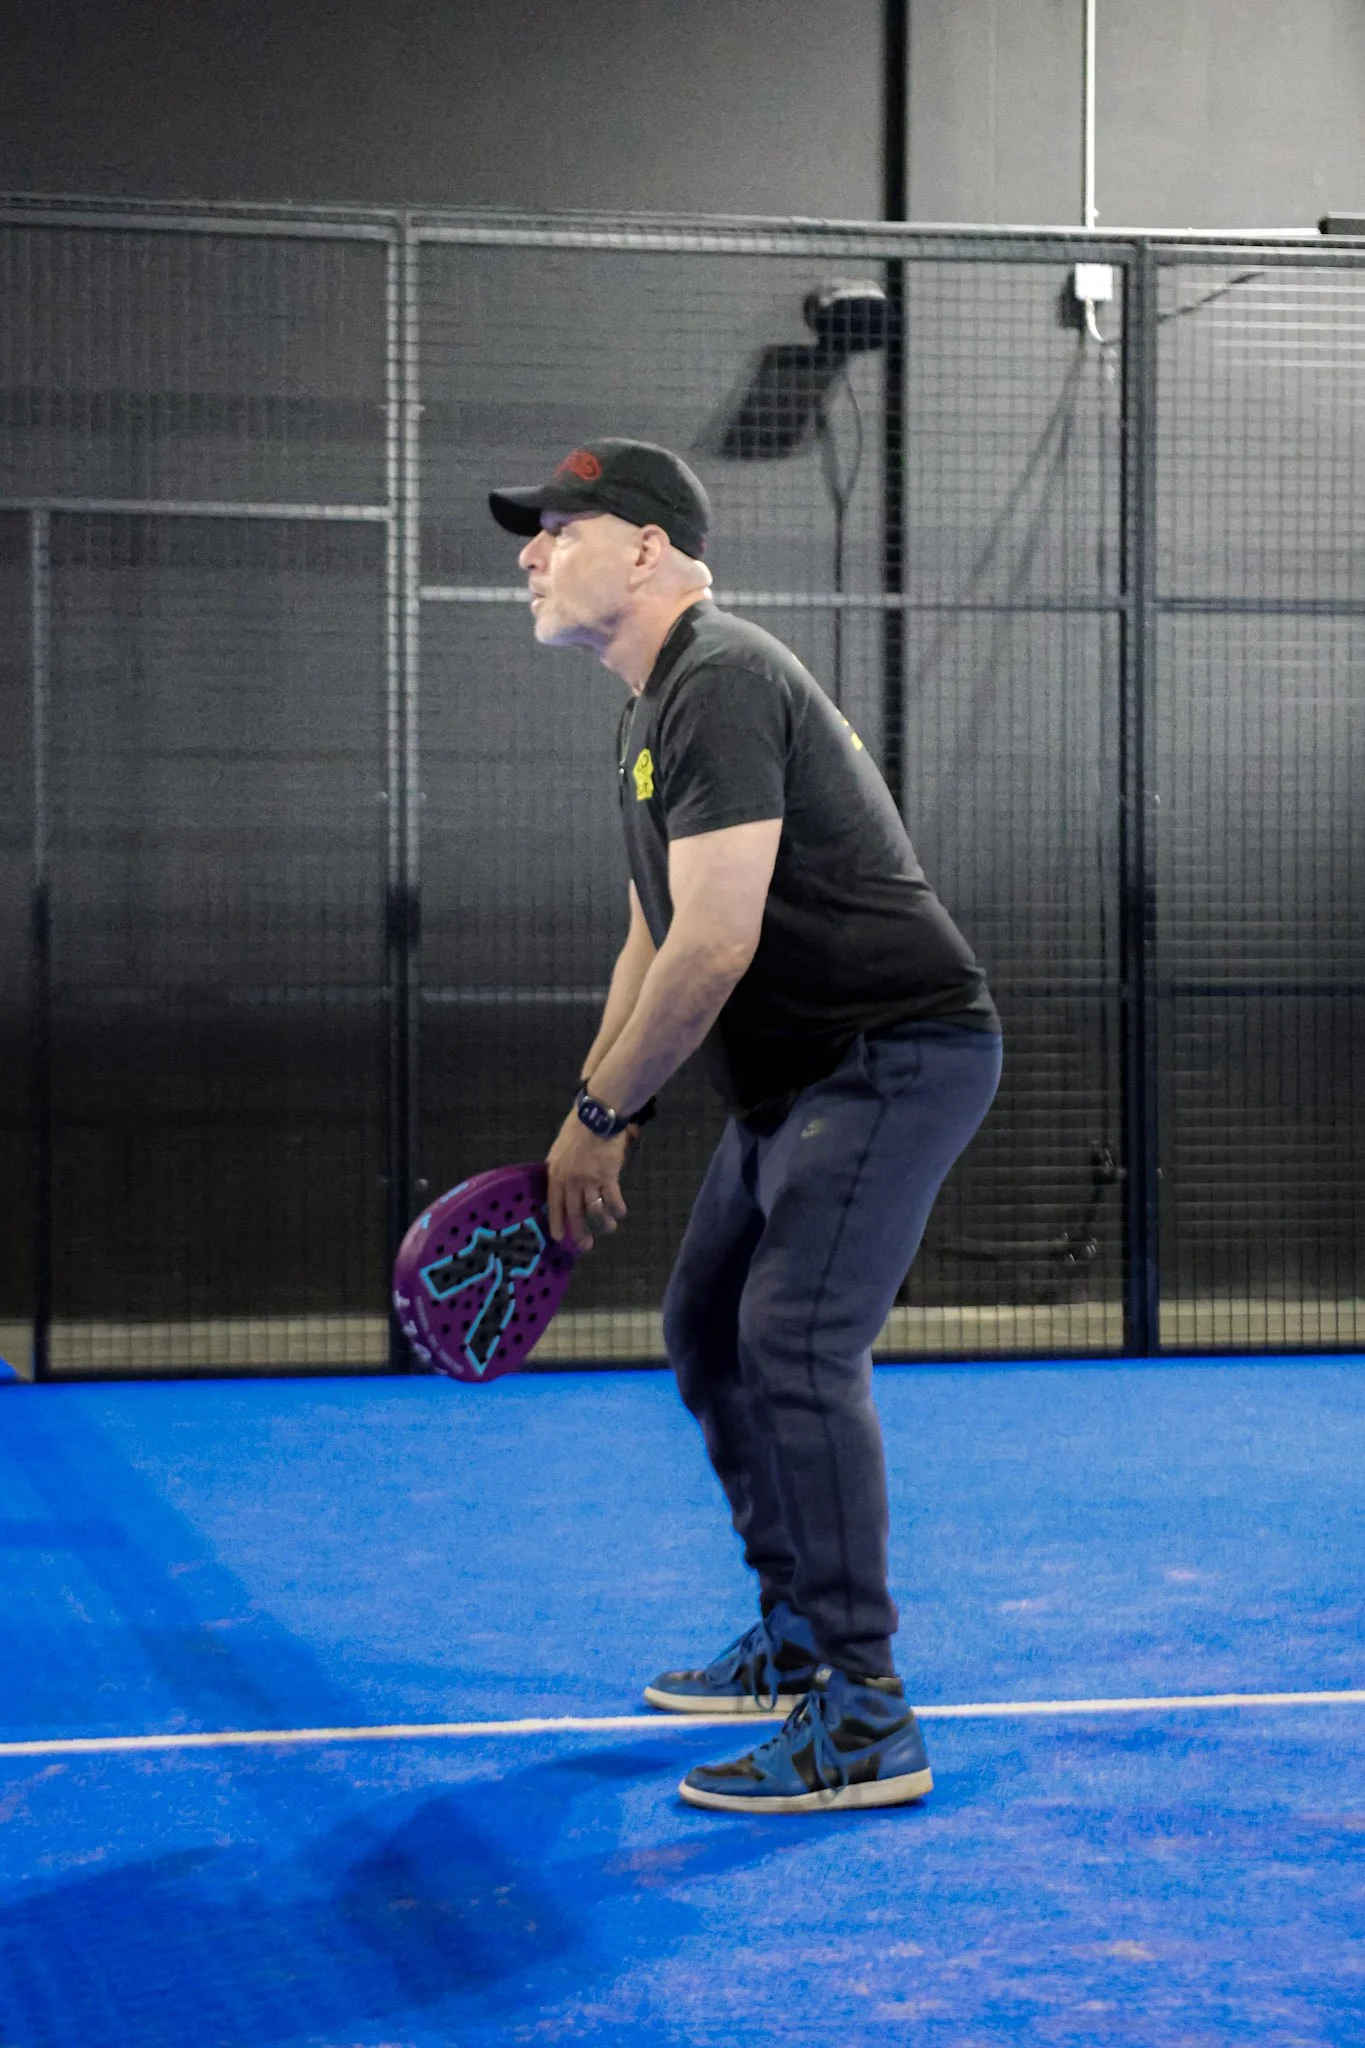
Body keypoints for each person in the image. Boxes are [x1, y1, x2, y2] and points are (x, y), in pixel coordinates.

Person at [488, 438, 1002, 1814]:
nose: (532, 554)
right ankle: (795, 1639)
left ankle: (866, 1711)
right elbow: (651, 935)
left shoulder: (718, 676)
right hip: (798, 1079)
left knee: (793, 1337)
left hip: (892, 1055)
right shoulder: (651, 710)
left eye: (559, 529)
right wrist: (594, 1113)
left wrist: (605, 1112)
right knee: (707, 1327)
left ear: (648, 548)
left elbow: (715, 947)